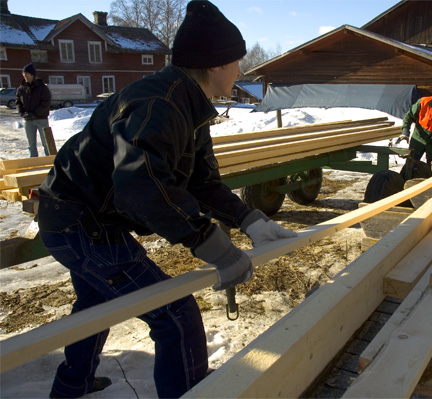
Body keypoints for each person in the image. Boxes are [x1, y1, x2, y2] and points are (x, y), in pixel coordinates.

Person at [37, 1, 297, 398]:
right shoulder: (161, 105)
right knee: (176, 315)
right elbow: (140, 188)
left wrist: (250, 220)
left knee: (94, 307)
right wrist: (211, 244)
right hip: (78, 222)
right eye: (236, 62)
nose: (239, 71)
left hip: (88, 216)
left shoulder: (188, 105)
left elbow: (201, 183)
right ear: (214, 64)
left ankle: (72, 386)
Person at [15, 63, 52, 157]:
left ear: (32, 75)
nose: (25, 77)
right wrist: (22, 113)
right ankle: (33, 160)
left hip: (41, 119)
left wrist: (35, 113)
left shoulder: (42, 88)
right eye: (23, 75)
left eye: (26, 74)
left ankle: (50, 160)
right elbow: (18, 102)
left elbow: (46, 103)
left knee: (46, 142)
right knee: (31, 144)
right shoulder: (21, 89)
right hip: (28, 120)